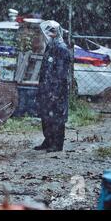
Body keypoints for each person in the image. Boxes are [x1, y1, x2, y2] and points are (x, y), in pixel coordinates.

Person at [34, 20, 71, 153]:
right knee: (46, 115)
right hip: (46, 88)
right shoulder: (50, 47)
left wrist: (55, 92)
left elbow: (60, 74)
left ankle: (57, 143)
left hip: (56, 90)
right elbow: (46, 69)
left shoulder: (61, 49)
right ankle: (48, 140)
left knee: (57, 117)